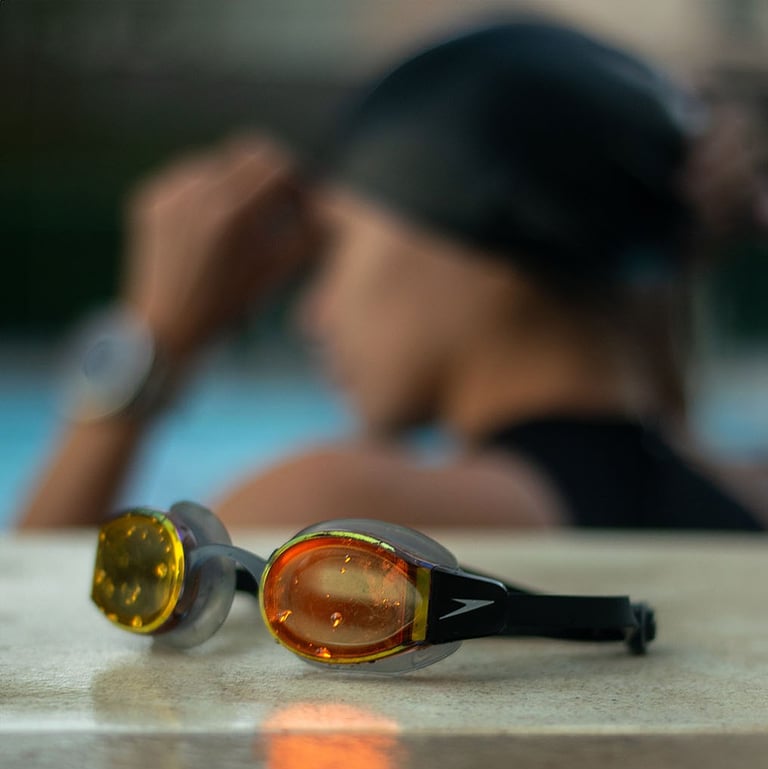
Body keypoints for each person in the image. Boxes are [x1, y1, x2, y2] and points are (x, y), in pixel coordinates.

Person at [17, 17, 768, 531]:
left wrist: (152, 343)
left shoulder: (335, 508)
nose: (313, 313)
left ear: (478, 246)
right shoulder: (743, 494)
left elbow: (26, 644)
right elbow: (654, 442)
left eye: (334, 250)